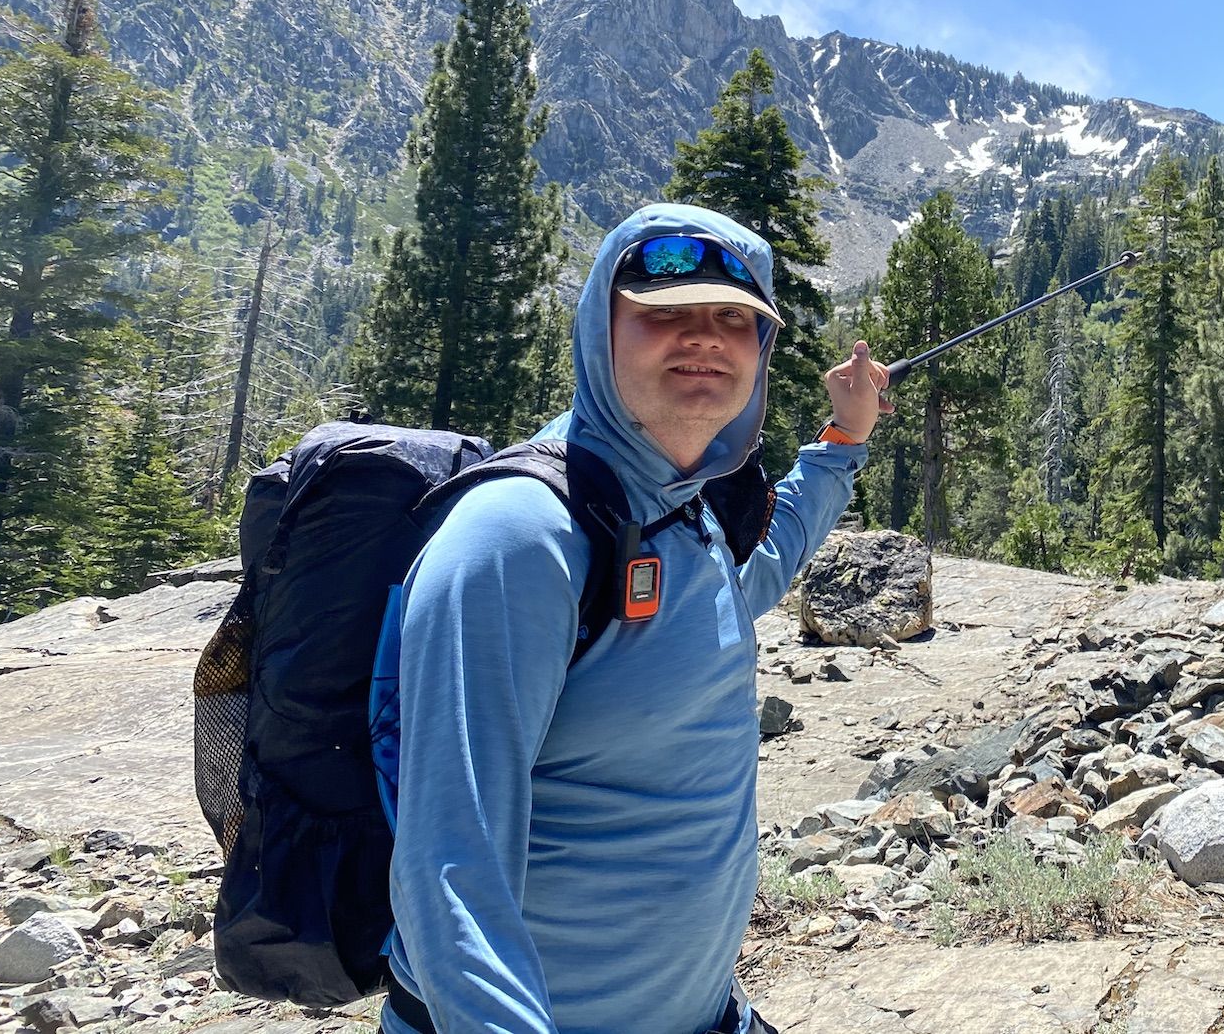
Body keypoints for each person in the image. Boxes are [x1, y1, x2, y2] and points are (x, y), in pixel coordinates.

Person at [380, 202, 889, 1034]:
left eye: (734, 317)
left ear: (760, 350)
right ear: (599, 328)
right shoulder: (521, 538)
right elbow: (448, 868)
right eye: (664, 313)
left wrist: (841, 441)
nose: (704, 337)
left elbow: (759, 572)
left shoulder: (680, 512)